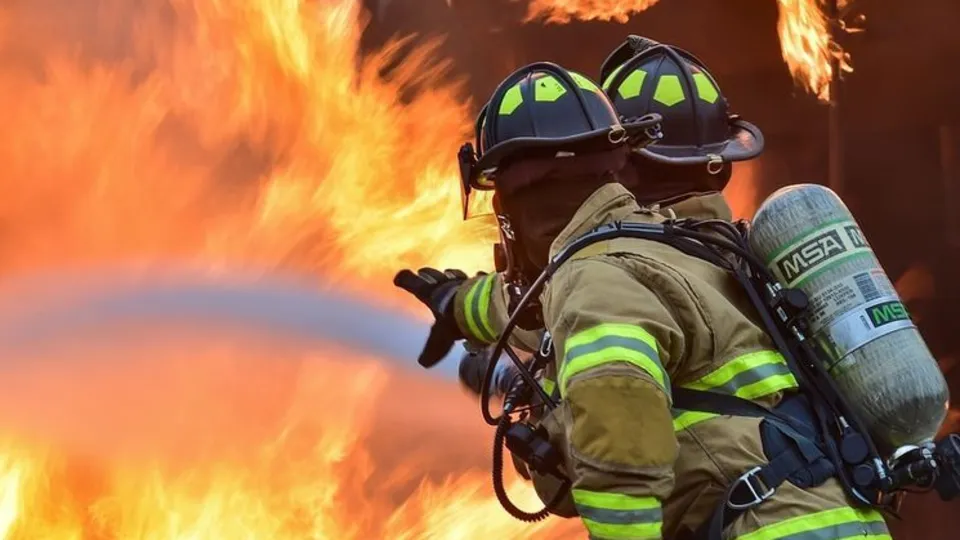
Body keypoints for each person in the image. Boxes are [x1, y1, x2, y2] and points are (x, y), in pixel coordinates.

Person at [396, 54, 891, 540]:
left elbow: (620, 463)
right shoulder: (672, 246)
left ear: (519, 199)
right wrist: (458, 303)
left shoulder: (594, 279)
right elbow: (534, 304)